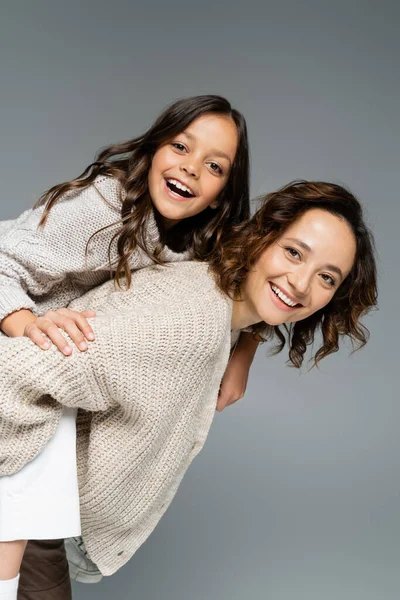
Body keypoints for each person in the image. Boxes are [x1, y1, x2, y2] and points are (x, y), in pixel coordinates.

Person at [0, 180, 378, 600]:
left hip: (39, 510)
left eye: (326, 277)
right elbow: (11, 372)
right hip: (20, 503)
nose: (301, 284)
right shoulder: (188, 326)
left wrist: (249, 343)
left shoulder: (216, 295)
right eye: (294, 252)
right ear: (262, 237)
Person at [0, 94, 254, 600]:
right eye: (181, 146)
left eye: (214, 166)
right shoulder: (103, 206)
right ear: (155, 147)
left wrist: (242, 352)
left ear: (224, 192)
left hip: (57, 407)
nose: (190, 168)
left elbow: (249, 285)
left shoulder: (201, 243)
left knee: (41, 563)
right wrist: (26, 321)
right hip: (17, 365)